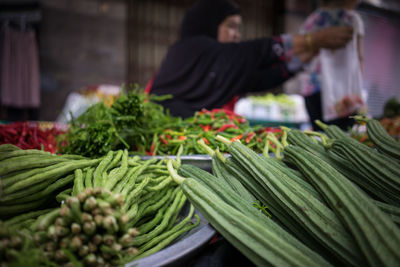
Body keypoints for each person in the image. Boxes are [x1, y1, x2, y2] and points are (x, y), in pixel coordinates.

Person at [149, 0, 353, 119]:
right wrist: (313, 39)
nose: (237, 35)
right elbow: (254, 51)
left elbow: (258, 78)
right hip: (163, 137)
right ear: (209, 24)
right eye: (231, 26)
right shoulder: (189, 49)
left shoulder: (223, 69)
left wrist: (308, 55)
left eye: (238, 28)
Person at [298, 0, 366, 130]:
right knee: (344, 138)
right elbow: (360, 57)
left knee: (318, 136)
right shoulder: (353, 19)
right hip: (343, 93)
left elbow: (301, 52)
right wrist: (357, 90)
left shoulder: (313, 19)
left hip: (313, 87)